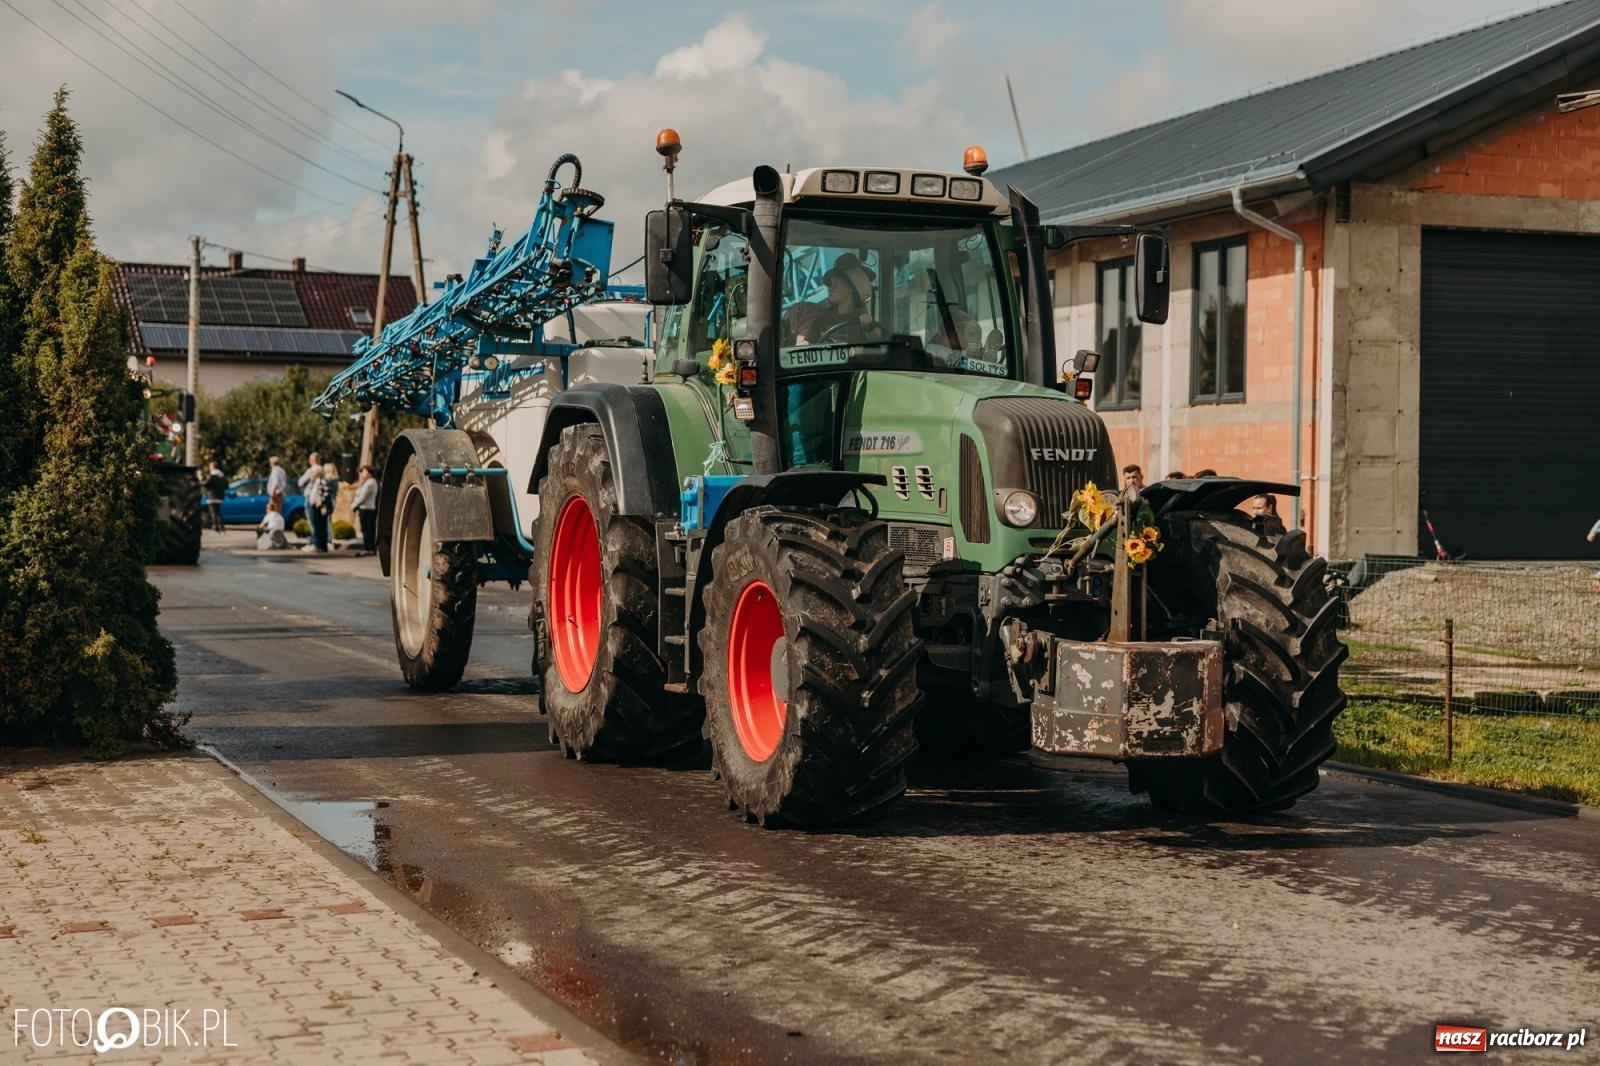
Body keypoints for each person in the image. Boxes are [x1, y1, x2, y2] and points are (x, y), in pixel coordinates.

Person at [783, 254, 886, 345]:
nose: (829, 288)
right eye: (830, 284)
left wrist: (868, 328)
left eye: (835, 284)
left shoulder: (864, 322)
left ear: (850, 292)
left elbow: (879, 343)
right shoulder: (821, 320)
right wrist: (803, 343)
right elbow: (807, 345)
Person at [301, 462, 331, 553]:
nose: (312, 475)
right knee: (317, 526)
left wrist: (319, 502)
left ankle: (319, 544)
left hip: (319, 508)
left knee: (319, 526)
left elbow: (325, 493)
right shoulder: (316, 482)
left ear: (318, 473)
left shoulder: (322, 481)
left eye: (313, 473)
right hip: (315, 506)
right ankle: (319, 544)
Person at [354, 465, 379, 555]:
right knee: (367, 529)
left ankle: (369, 548)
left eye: (363, 471)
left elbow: (362, 497)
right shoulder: (368, 482)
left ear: (369, 473)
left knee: (367, 529)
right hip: (367, 508)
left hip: (367, 509)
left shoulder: (370, 483)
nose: (361, 473)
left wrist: (354, 505)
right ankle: (368, 547)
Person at [203, 461, 227, 532]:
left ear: (213, 467)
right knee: (218, 512)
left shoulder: (211, 476)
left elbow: (205, 484)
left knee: (213, 513)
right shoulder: (222, 476)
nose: (209, 468)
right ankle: (222, 527)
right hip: (220, 497)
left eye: (210, 466)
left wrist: (201, 481)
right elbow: (226, 485)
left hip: (211, 497)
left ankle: (216, 527)